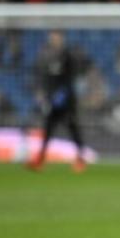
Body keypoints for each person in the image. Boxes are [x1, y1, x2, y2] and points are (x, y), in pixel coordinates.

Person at [27, 31, 87, 172]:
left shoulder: (68, 56)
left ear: (62, 38)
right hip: (52, 99)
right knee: (48, 129)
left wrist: (62, 95)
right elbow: (46, 79)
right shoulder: (46, 55)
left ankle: (81, 158)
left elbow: (70, 78)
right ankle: (40, 159)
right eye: (52, 36)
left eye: (56, 36)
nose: (54, 38)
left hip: (66, 100)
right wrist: (43, 94)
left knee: (73, 128)